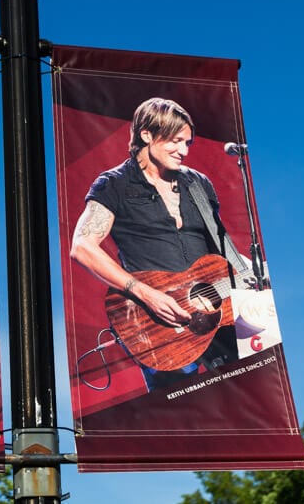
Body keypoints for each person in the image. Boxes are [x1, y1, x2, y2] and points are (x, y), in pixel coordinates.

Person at [70, 97, 239, 391]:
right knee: (177, 419)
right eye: (175, 141)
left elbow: (223, 249)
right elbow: (82, 246)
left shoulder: (198, 184)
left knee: (245, 404)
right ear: (147, 135)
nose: (183, 151)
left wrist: (247, 273)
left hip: (217, 312)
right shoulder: (114, 184)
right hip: (159, 327)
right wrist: (145, 294)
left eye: (188, 143)